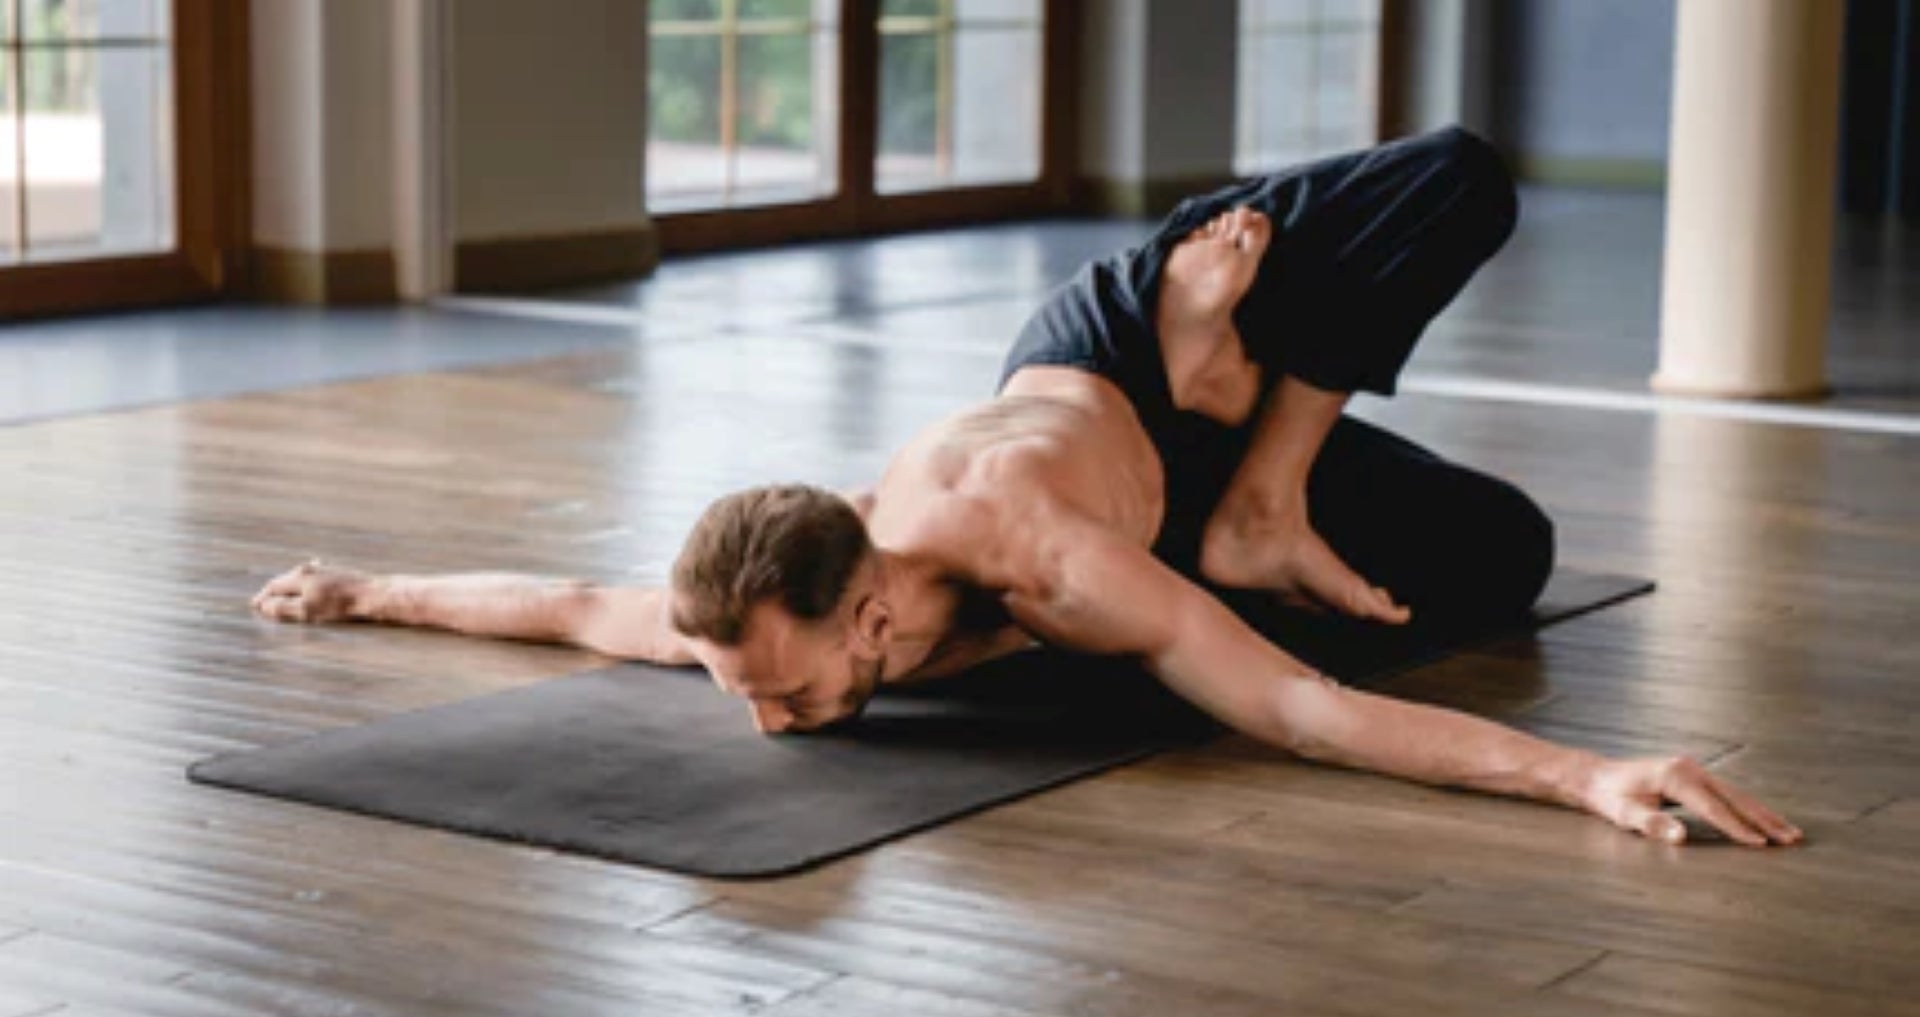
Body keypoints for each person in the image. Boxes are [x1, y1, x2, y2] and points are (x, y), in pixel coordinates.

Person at [252, 127, 1800, 849]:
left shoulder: (1051, 568)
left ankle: (1252, 432)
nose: (760, 720)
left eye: (784, 695)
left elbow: (1305, 713)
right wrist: (365, 588)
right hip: (1095, 408)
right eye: (746, 695)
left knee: (1457, 177)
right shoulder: (773, 612)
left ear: (864, 604)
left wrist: (1586, 775)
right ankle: (1245, 399)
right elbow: (583, 607)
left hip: (1115, 371)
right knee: (1505, 547)